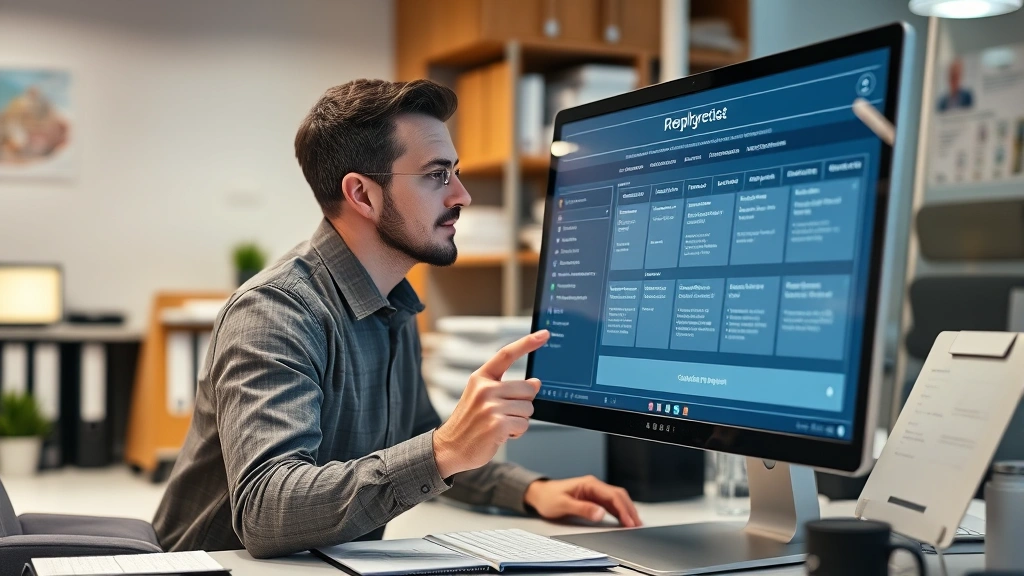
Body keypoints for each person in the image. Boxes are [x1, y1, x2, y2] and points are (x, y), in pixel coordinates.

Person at [153, 79, 642, 559]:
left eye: (455, 172)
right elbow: (266, 508)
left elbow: (425, 440)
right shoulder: (276, 311)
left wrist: (532, 490)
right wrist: (443, 449)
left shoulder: (393, 305)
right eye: (436, 174)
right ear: (362, 195)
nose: (462, 196)